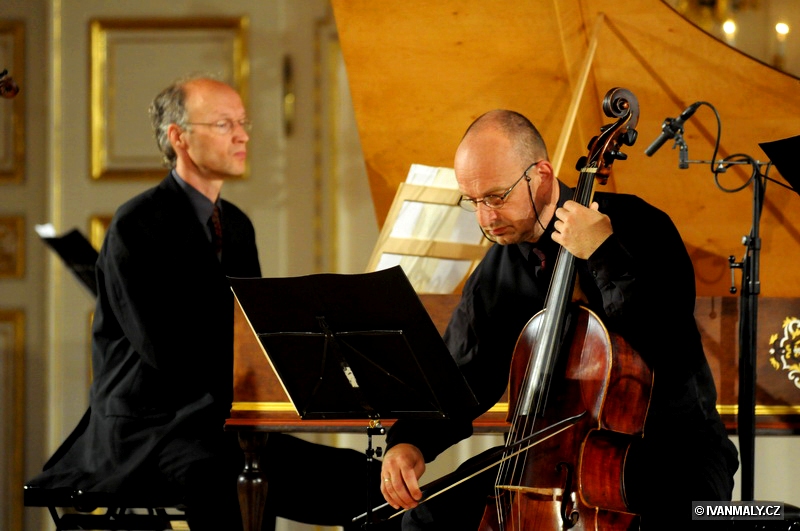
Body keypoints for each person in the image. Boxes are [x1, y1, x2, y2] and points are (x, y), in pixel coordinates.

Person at [27, 76, 391, 531]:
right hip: (149, 429)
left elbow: (249, 333)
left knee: (371, 485)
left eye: (242, 123)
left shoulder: (236, 225)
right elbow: (165, 352)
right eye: (223, 124)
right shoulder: (137, 225)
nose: (242, 136)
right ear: (178, 137)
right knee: (230, 481)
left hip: (219, 426)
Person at [378, 109, 739, 530]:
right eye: (473, 201)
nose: (486, 218)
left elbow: (669, 344)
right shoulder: (500, 268)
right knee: (423, 521)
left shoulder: (639, 226)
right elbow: (462, 373)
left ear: (542, 175)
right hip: (548, 457)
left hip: (668, 451)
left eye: (496, 197)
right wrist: (410, 441)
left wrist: (604, 254)